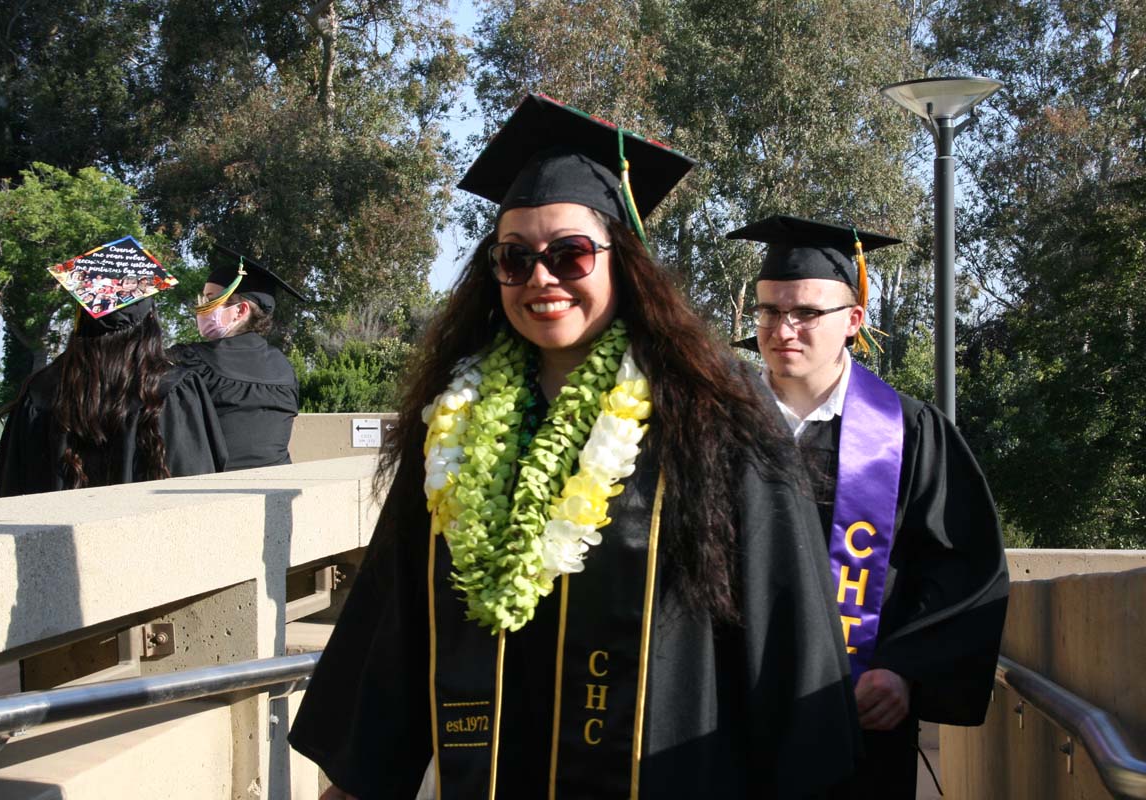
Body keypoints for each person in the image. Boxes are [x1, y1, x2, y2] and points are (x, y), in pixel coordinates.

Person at [289, 95, 861, 799]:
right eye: (515, 258)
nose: (542, 279)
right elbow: (397, 616)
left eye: (570, 255)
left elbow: (788, 635)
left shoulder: (714, 414)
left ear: (626, 261)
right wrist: (356, 780)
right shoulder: (452, 425)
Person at [728, 215, 1010, 798]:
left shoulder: (907, 432)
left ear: (854, 320)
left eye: (806, 312)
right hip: (727, 714)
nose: (783, 329)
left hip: (858, 721)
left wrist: (906, 668)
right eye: (769, 311)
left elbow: (961, 569)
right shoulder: (717, 425)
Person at [0, 279, 227, 497]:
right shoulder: (171, 388)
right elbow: (195, 482)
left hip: (54, 534)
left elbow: (13, 485)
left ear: (82, 320)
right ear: (150, 321)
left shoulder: (41, 389)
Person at [169, 245, 304, 470]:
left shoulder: (189, 360)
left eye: (210, 300)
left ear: (241, 311)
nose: (201, 308)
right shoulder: (284, 366)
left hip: (215, 492)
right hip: (277, 486)